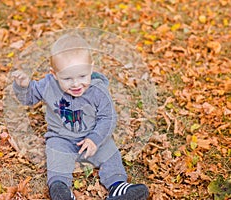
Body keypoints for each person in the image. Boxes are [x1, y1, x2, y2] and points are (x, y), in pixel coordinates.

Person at [12, 33, 149, 200]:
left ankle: (118, 186)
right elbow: (29, 99)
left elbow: (108, 118)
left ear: (91, 68)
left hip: (91, 137)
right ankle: (61, 189)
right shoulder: (48, 84)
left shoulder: (98, 91)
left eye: (82, 76)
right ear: (54, 74)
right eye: (67, 78)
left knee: (110, 152)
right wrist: (23, 87)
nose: (76, 84)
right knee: (56, 155)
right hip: (61, 138)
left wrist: (95, 139)